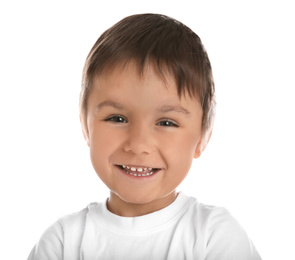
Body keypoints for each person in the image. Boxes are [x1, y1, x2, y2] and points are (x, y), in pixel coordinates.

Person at [28, 13, 261, 260]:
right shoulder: (63, 242)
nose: (138, 145)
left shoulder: (214, 237)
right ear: (85, 125)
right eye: (117, 119)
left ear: (203, 136)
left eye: (166, 122)